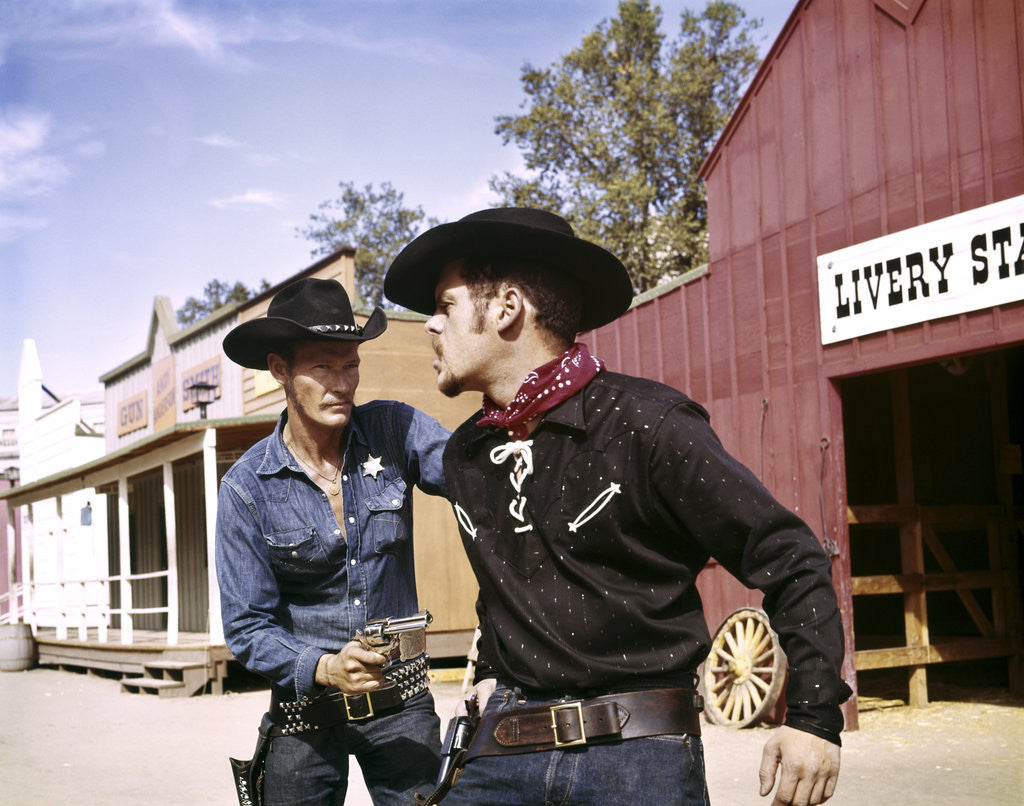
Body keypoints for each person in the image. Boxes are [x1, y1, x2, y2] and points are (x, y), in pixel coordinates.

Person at [383, 208, 852, 806]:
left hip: (639, 759)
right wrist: (491, 672)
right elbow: (508, 585)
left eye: (444, 306)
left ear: (505, 308)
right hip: (502, 749)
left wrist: (814, 718)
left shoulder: (650, 425)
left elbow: (790, 558)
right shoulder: (466, 454)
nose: (429, 324)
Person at [216, 277, 451, 805]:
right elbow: (246, 626)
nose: (342, 384)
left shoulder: (395, 429)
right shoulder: (246, 488)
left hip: (401, 700)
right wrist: (324, 667)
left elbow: (478, 478)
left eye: (351, 365)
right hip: (304, 711)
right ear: (280, 369)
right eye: (323, 367)